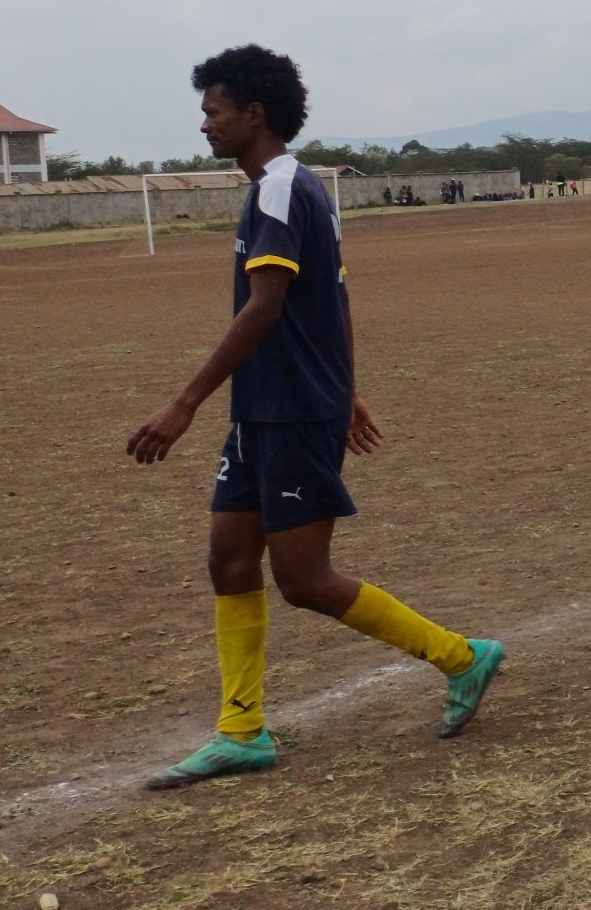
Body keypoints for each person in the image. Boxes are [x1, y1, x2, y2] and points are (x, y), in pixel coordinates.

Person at [124, 45, 503, 789]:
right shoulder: (287, 187)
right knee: (230, 560)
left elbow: (266, 307)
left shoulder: (281, 189)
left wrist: (185, 402)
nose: (204, 124)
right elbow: (335, 299)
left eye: (213, 110)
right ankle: (241, 732)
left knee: (303, 579)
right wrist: (348, 387)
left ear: (253, 113)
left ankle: (463, 657)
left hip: (293, 410)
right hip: (265, 408)